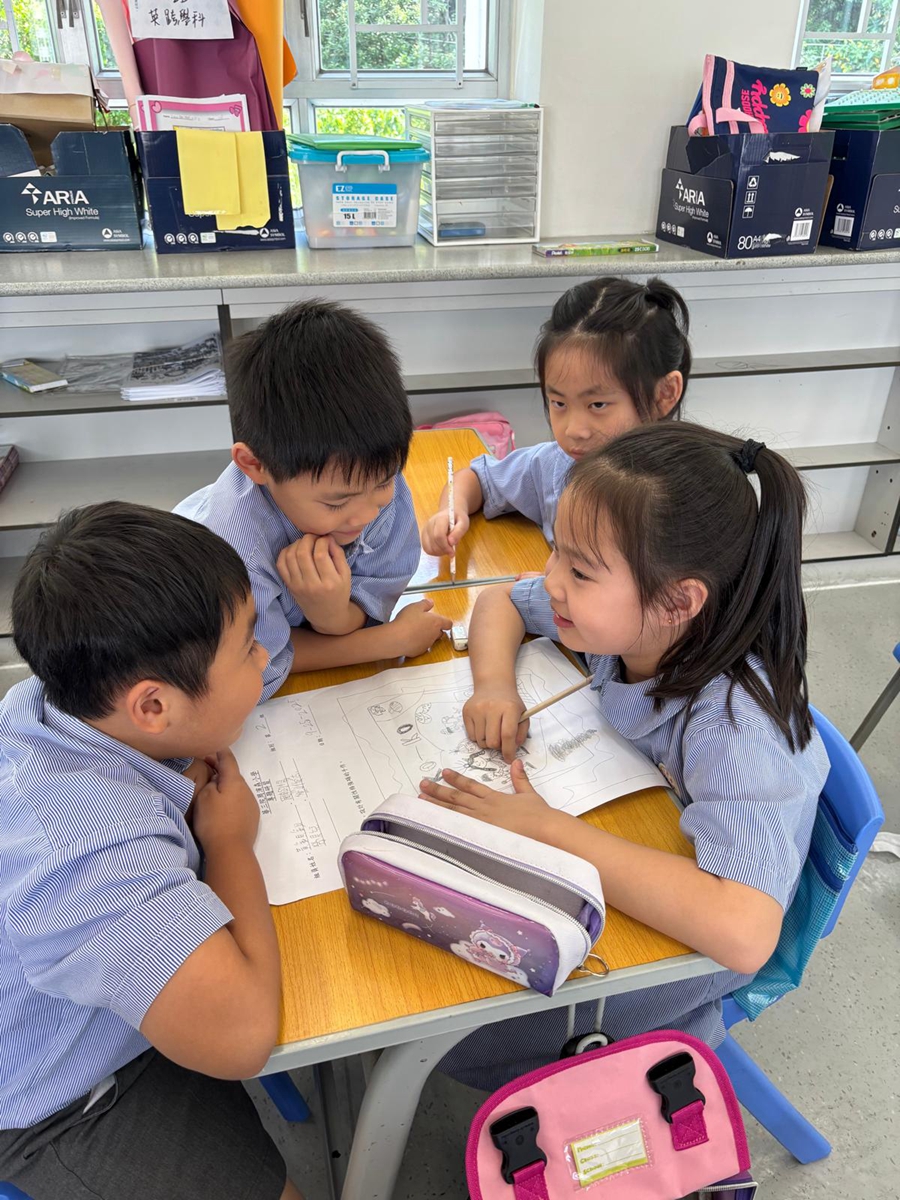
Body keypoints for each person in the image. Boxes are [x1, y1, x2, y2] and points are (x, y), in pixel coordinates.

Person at [419, 422, 830, 1091]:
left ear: (678, 600)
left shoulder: (736, 729)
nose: (552, 582)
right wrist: (494, 685)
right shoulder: (629, 624)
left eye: (579, 571)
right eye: (557, 551)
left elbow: (744, 931)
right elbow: (501, 600)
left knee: (451, 1022)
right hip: (647, 838)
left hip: (690, 949)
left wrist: (549, 830)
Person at [0, 502, 303, 1200]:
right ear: (154, 707)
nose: (264, 656)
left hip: (97, 1001)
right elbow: (242, 1037)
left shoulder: (48, 701)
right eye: (248, 647)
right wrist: (228, 843)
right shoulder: (88, 853)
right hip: (58, 1098)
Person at [177, 299, 450, 702]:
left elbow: (372, 599)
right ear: (255, 465)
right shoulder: (231, 550)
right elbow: (254, 664)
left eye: (383, 483)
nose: (367, 513)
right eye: (336, 503)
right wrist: (390, 641)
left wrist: (332, 614)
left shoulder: (369, 479)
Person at [421, 276, 691, 556]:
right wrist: (451, 511)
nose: (574, 430)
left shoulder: (682, 502)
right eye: (559, 403)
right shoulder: (556, 465)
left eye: (597, 405)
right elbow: (478, 479)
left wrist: (548, 580)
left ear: (665, 394)